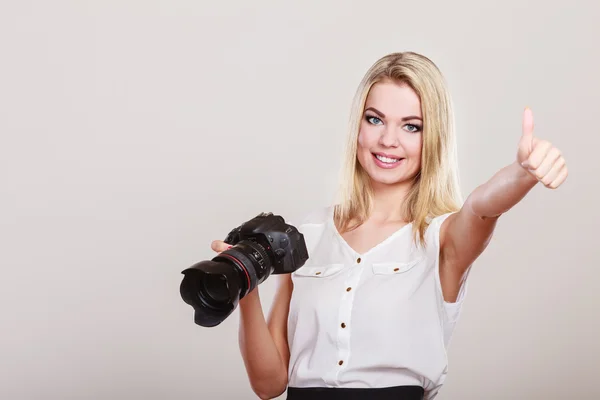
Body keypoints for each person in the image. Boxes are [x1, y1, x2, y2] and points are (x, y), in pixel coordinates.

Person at [211, 52, 568, 400]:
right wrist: (247, 281)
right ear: (358, 126)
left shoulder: (440, 237)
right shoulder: (309, 233)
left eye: (411, 126)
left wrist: (524, 173)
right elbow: (269, 384)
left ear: (434, 139)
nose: (388, 140)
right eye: (375, 119)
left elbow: (480, 208)